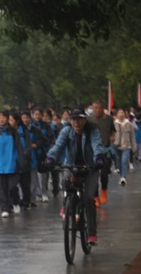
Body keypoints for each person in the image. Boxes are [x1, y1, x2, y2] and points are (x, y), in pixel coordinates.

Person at [46, 108, 106, 245]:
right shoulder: (67, 130)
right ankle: (67, 204)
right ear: (70, 121)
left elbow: (97, 145)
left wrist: (99, 159)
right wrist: (50, 158)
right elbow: (58, 145)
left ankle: (91, 233)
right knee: (66, 182)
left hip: (90, 167)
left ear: (85, 120)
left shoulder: (92, 130)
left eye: (79, 119)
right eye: (73, 119)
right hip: (72, 165)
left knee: (89, 198)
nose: (76, 123)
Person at [0, 110, 25, 218]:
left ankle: (15, 202)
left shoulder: (14, 133)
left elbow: (19, 148)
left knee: (12, 187)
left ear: (7, 118)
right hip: (0, 165)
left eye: (3, 117)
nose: (1, 119)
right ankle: (5, 208)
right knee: (1, 189)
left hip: (12, 164)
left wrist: (20, 161)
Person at [88, 100, 116, 205]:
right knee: (93, 175)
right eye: (95, 108)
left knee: (104, 174)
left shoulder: (109, 119)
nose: (97, 110)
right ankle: (95, 197)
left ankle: (103, 189)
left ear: (103, 108)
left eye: (99, 108)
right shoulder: (89, 119)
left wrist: (112, 136)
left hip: (105, 150)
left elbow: (112, 130)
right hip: (93, 151)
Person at [113, 108, 137, 186]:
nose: (121, 114)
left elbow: (132, 136)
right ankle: (121, 175)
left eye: (122, 112)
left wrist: (134, 146)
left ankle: (123, 177)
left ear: (125, 114)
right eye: (119, 112)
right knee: (118, 160)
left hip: (127, 145)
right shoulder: (114, 123)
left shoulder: (129, 124)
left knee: (124, 160)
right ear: (117, 115)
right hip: (116, 145)